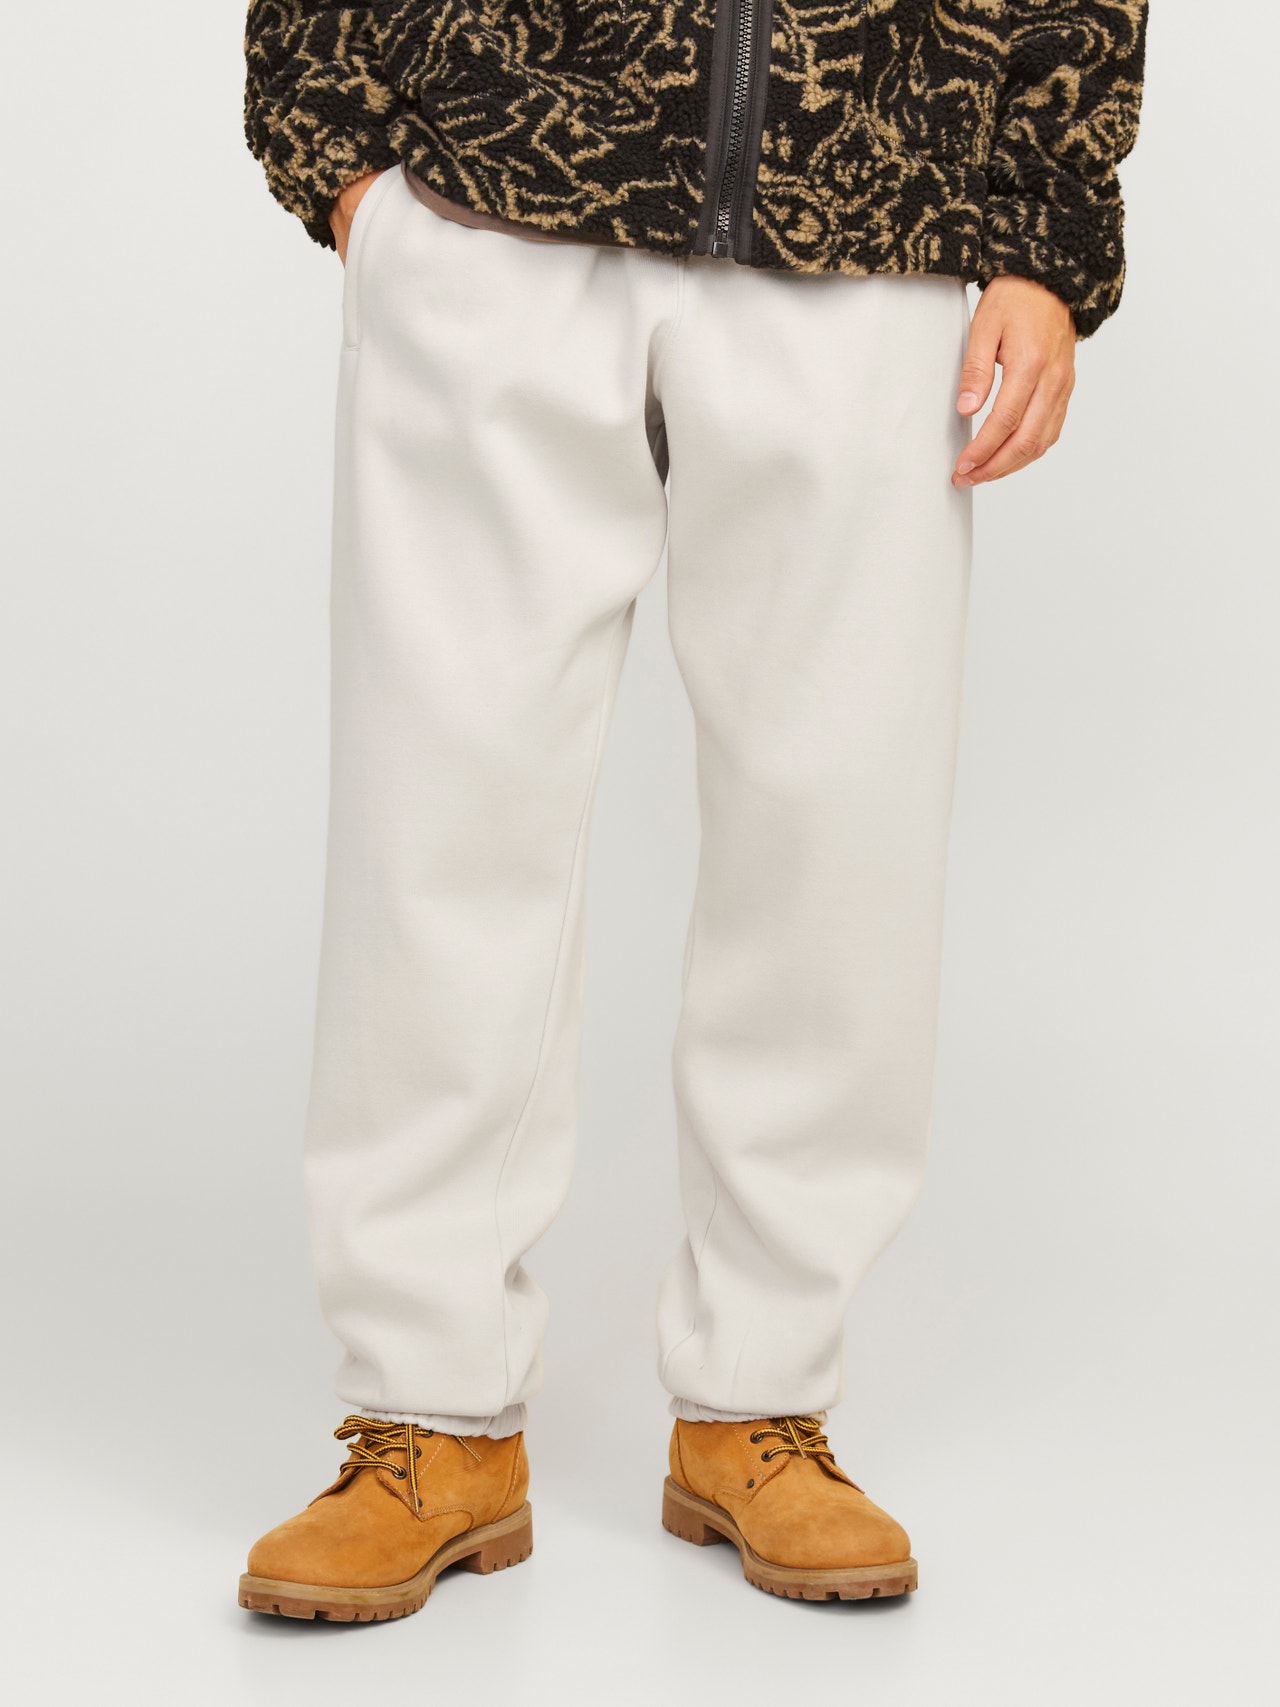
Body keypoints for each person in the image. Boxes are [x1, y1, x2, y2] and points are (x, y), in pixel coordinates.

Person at [237, 0, 1146, 1619]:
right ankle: (428, 1413)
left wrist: (1041, 237)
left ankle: (758, 1401)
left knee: (841, 834)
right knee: (438, 821)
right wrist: (341, 154)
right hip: (495, 199)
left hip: (868, 203)